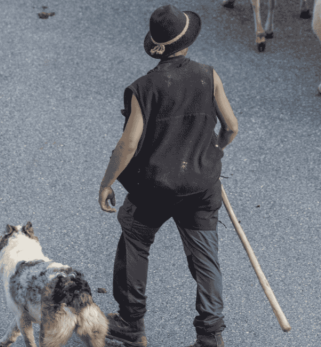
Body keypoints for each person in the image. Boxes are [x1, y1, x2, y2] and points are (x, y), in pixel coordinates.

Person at [98, 4, 238, 347]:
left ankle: (131, 324)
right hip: (201, 186)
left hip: (154, 189)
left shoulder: (145, 88)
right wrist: (213, 151)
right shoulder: (209, 75)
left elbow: (128, 145)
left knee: (134, 240)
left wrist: (107, 183)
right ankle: (210, 335)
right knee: (205, 259)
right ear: (187, 42)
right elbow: (231, 127)